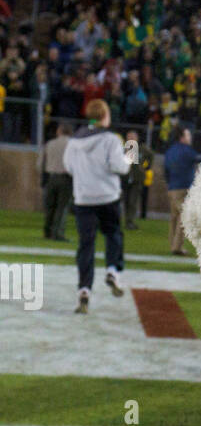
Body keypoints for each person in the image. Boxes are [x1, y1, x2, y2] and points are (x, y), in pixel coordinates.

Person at [63, 98, 130, 314]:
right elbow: (120, 167)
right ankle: (112, 271)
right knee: (113, 235)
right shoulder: (110, 139)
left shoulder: (74, 141)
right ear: (104, 116)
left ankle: (84, 289)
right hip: (108, 197)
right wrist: (131, 154)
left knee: (86, 244)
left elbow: (69, 167)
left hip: (83, 198)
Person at [163, 127, 200, 256]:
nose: (190, 137)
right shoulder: (187, 150)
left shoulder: (169, 151)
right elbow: (200, 159)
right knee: (184, 217)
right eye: (188, 135)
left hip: (172, 187)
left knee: (174, 217)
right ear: (182, 137)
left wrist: (169, 184)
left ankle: (173, 244)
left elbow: (165, 170)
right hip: (184, 188)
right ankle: (177, 247)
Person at [38, 121, 73, 240]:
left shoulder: (50, 143)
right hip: (66, 178)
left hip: (51, 177)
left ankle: (47, 232)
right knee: (62, 207)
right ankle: (57, 233)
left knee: (50, 206)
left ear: (59, 131)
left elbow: (40, 164)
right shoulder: (72, 144)